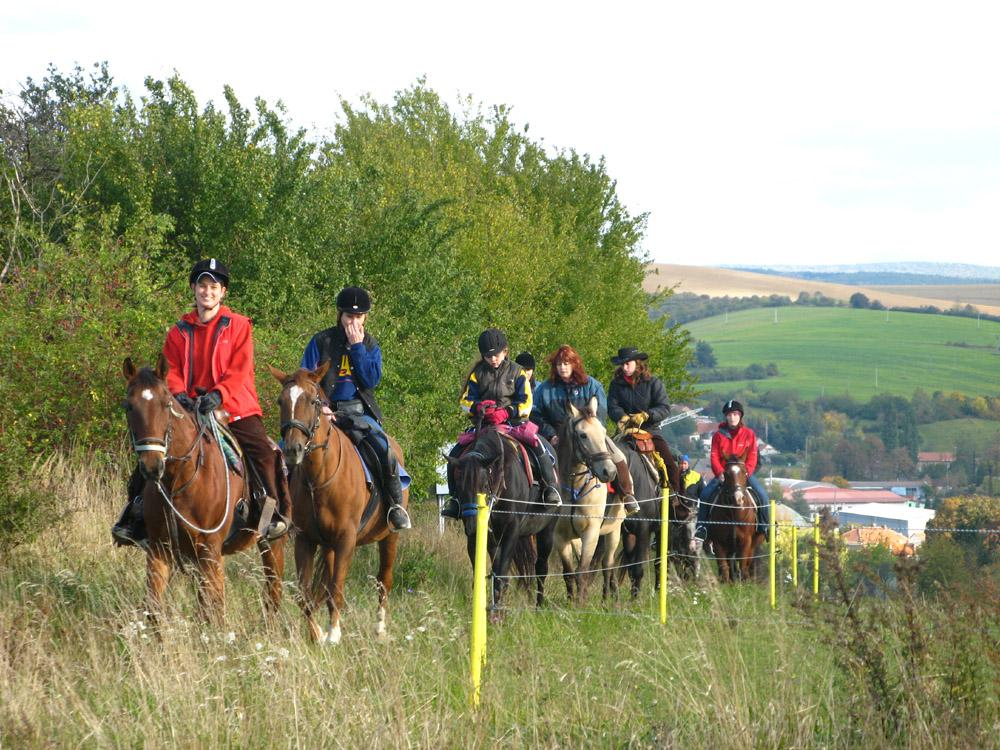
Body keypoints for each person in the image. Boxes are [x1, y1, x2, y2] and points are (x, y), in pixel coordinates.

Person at [112, 258, 289, 547]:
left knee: (263, 452)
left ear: (223, 292)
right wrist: (180, 395)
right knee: (151, 449)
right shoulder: (178, 331)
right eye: (202, 286)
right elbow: (170, 370)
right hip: (189, 407)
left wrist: (219, 394)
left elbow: (240, 368)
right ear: (194, 289)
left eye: (214, 286)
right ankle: (136, 514)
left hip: (234, 406)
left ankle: (270, 513)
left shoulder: (239, 326)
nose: (207, 291)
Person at [300, 286, 411, 532]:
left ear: (365, 318)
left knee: (386, 451)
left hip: (360, 413)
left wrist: (357, 346)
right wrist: (323, 407)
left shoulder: (370, 345)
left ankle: (395, 508)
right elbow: (306, 379)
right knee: (286, 447)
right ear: (340, 315)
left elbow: (371, 380)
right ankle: (280, 511)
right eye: (349, 316)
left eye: (359, 317)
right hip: (324, 411)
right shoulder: (321, 341)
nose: (354, 321)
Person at [441, 330, 560, 519]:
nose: (493, 359)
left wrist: (508, 411)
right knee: (456, 454)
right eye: (488, 356)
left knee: (538, 446)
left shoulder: (517, 372)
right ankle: (455, 498)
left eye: (496, 354)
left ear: (505, 351)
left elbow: (527, 402)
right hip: (484, 425)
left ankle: (550, 489)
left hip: (514, 424)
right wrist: (478, 407)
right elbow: (465, 400)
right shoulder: (477, 374)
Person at [531, 344, 638, 513]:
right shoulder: (544, 389)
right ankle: (542, 497)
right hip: (557, 437)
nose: (562, 368)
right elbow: (535, 415)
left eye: (566, 363)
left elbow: (601, 412)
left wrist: (593, 431)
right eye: (559, 364)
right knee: (537, 461)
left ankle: (627, 495)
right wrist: (551, 434)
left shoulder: (592, 385)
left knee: (617, 456)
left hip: (588, 435)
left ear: (574, 364)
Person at [692, 400, 770, 547]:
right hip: (723, 475)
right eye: (729, 415)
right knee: (704, 496)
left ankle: (764, 526)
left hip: (743, 474)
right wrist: (720, 473)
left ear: (740, 416)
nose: (732, 417)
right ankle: (701, 528)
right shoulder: (718, 436)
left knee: (763, 496)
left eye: (735, 414)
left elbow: (753, 456)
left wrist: (746, 473)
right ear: (725, 417)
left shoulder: (749, 434)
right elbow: (714, 456)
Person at [606, 346, 674, 485]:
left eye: (628, 363)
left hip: (650, 431)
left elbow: (664, 407)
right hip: (625, 431)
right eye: (622, 364)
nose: (625, 367)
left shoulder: (653, 383)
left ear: (637, 363)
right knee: (605, 459)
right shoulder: (616, 385)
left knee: (670, 465)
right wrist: (621, 416)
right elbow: (612, 406)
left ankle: (677, 500)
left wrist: (647, 415)